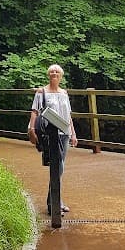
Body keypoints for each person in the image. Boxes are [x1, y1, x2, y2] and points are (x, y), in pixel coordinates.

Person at [28, 64, 77, 214]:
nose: (54, 73)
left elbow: (68, 115)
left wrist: (73, 133)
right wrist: (31, 129)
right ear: (48, 75)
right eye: (52, 72)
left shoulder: (64, 93)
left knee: (60, 167)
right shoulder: (41, 92)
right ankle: (54, 204)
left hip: (64, 133)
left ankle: (55, 200)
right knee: (57, 166)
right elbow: (35, 112)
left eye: (57, 72)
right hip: (50, 134)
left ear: (61, 76)